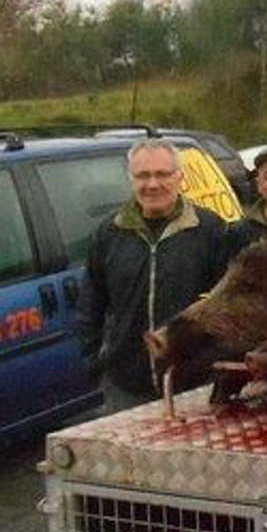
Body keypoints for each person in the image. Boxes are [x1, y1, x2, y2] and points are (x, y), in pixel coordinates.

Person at [80, 139, 235, 410]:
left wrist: (214, 367)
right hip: (125, 390)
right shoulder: (108, 234)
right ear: (130, 179)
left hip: (195, 387)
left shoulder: (210, 230)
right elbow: (90, 308)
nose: (152, 184)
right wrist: (98, 364)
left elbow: (229, 307)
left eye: (163, 174)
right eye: (143, 175)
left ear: (180, 177)